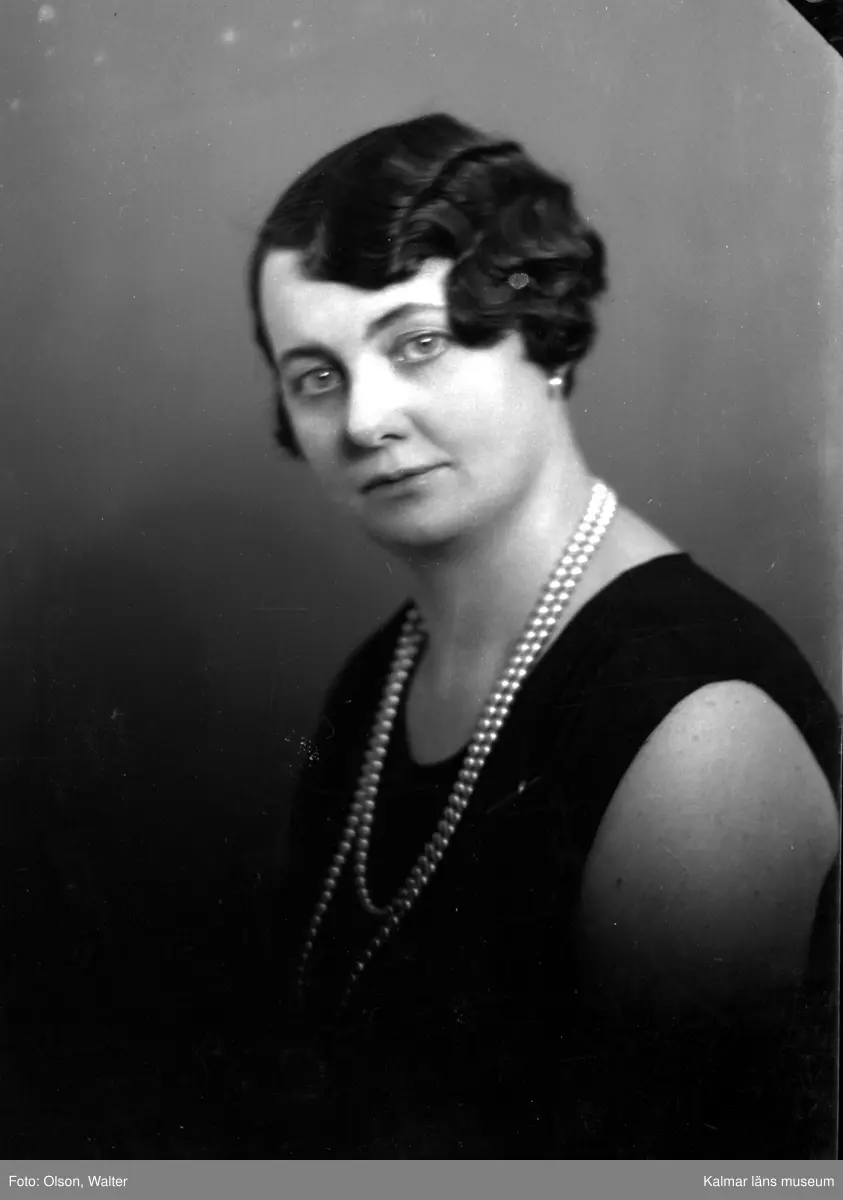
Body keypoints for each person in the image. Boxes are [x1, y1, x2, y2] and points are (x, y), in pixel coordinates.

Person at [244, 112, 840, 1157]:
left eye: (418, 344)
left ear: (543, 334)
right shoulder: (375, 681)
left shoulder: (699, 732)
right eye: (317, 376)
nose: (365, 419)